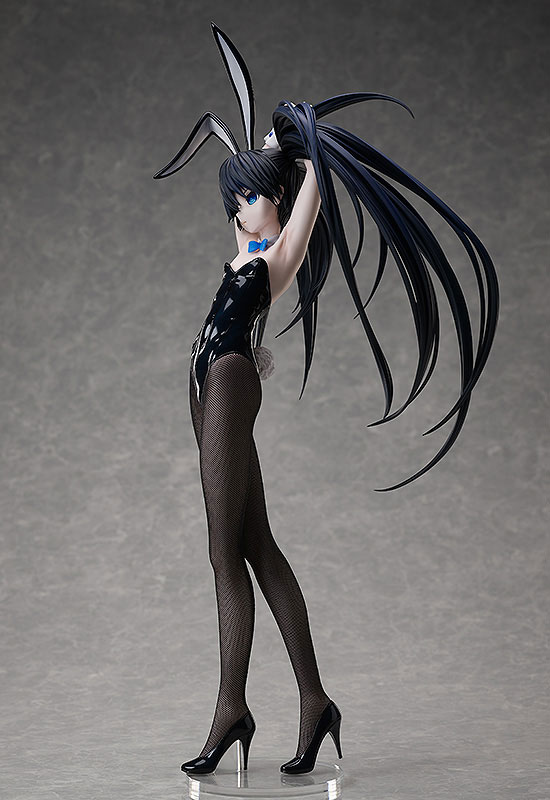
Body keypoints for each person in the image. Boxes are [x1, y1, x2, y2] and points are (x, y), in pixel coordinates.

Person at [153, 22, 499, 776]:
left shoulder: (279, 252)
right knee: (256, 547)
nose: (241, 208)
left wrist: (301, 151)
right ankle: (315, 704)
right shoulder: (245, 250)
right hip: (212, 385)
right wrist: (265, 153)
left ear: (276, 202)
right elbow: (254, 211)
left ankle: (231, 709)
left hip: (227, 383)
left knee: (222, 555)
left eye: (251, 198)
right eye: (235, 199)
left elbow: (306, 190)